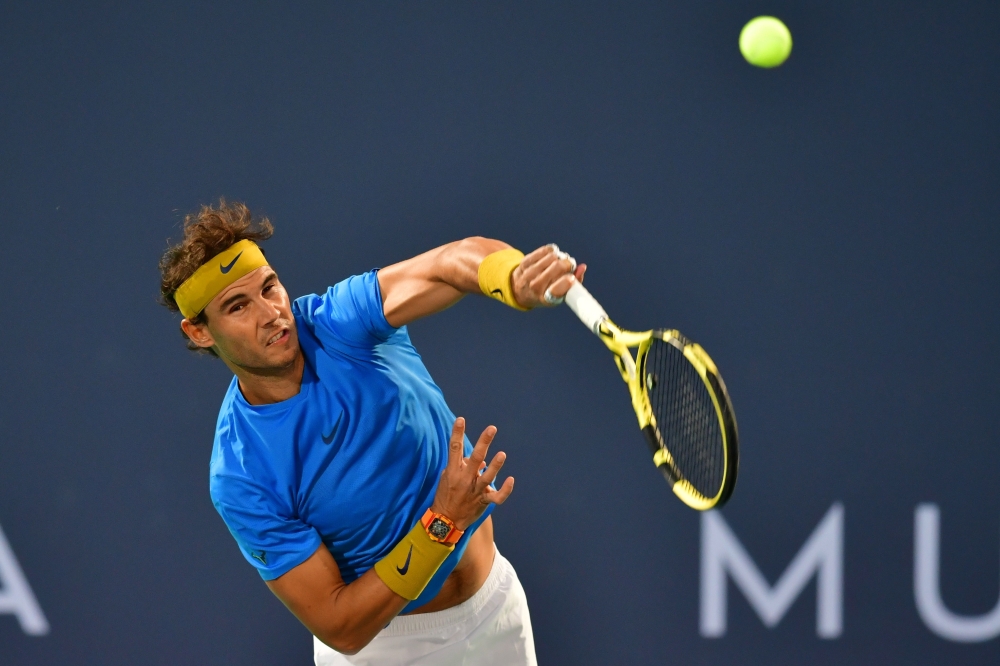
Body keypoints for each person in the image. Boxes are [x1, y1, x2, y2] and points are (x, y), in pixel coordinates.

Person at [157, 200, 585, 665]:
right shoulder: (240, 474)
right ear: (200, 332)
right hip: (389, 653)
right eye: (238, 307)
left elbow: (448, 265)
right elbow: (342, 626)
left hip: (497, 608)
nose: (271, 313)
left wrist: (512, 277)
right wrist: (443, 522)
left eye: (269, 287)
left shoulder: (338, 322)